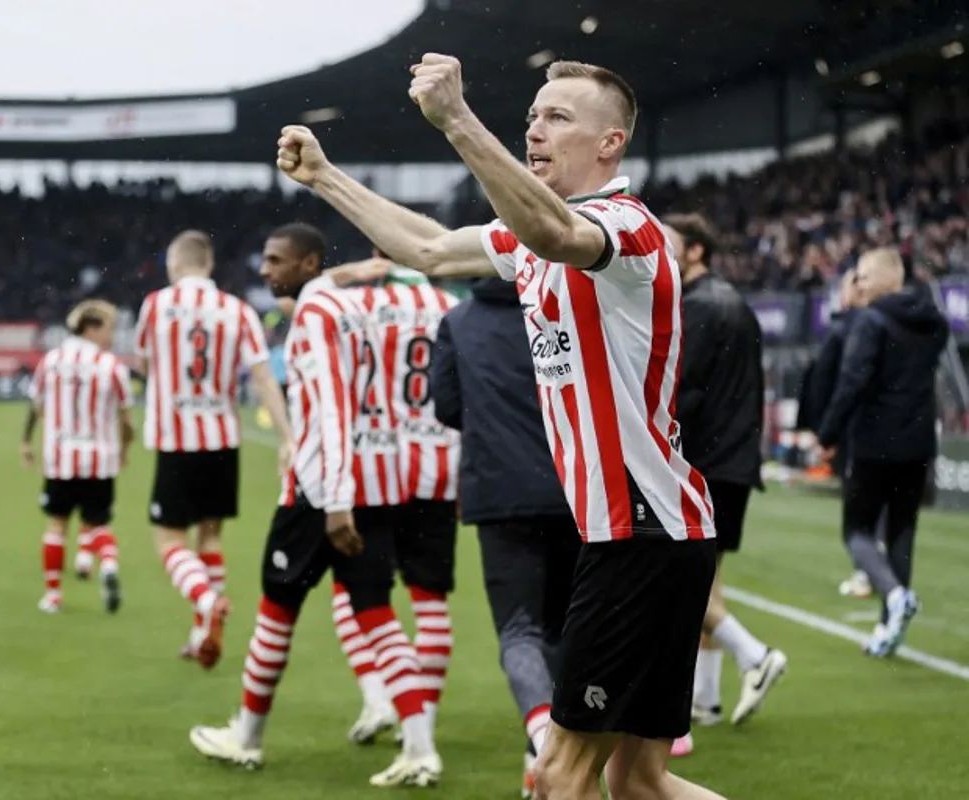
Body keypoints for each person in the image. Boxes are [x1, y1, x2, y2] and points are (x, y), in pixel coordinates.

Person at [276, 55, 723, 800]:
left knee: (557, 779)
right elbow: (426, 248)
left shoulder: (628, 230)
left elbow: (554, 230)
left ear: (610, 143)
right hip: (648, 535)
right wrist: (325, 177)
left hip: (640, 534)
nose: (535, 130)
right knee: (641, 785)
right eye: (532, 117)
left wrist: (457, 119)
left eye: (557, 118)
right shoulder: (535, 240)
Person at [188, 223, 440, 788]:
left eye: (276, 260)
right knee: (375, 611)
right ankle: (421, 749)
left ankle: (247, 737)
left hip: (322, 490)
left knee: (277, 609)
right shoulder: (347, 305)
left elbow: (329, 407)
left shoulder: (315, 314)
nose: (265, 270)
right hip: (376, 480)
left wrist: (333, 501)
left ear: (308, 264)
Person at [432, 274, 581, 798]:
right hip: (572, 488)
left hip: (498, 492)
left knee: (519, 630)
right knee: (563, 628)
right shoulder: (558, 305)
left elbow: (445, 405)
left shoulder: (458, 322)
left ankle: (543, 746)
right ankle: (549, 746)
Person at [319, 255, 461, 745]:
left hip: (373, 463)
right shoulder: (449, 306)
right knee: (430, 598)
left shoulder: (357, 304)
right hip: (439, 463)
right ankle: (422, 716)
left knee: (355, 590)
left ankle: (381, 696)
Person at [133, 230, 291, 666]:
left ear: (174, 261)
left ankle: (205, 601)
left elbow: (145, 365)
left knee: (169, 539)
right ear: (210, 263)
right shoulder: (237, 310)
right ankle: (203, 629)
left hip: (176, 436)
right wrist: (287, 437)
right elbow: (261, 378)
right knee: (211, 534)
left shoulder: (156, 305)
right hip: (221, 437)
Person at [661, 215, 787, 758]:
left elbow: (679, 389)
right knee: (708, 580)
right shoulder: (734, 303)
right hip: (734, 461)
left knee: (681, 580)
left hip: (706, 461)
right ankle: (706, 699)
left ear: (696, 251)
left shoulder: (699, 307)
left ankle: (754, 654)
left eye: (670, 243)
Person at [815, 247, 950, 657]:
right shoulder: (934, 323)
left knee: (856, 531)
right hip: (919, 443)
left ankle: (893, 596)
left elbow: (852, 382)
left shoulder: (871, 322)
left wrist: (829, 433)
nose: (859, 284)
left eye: (863, 276)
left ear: (884, 279)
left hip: (875, 442)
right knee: (901, 533)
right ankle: (889, 630)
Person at [22, 299, 135, 615]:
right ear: (91, 327)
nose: (112, 336)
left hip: (61, 457)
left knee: (57, 525)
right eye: (109, 328)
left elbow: (36, 404)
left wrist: (26, 442)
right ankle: (108, 563)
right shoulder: (111, 365)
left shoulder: (52, 361)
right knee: (98, 523)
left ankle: (53, 596)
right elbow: (127, 419)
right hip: (100, 457)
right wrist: (125, 447)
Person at [796, 269, 875, 598]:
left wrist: (824, 433)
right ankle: (879, 573)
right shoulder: (879, 326)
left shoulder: (845, 328)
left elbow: (826, 383)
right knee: (879, 506)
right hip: (880, 429)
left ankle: (867, 573)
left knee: (858, 508)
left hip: (852, 430)